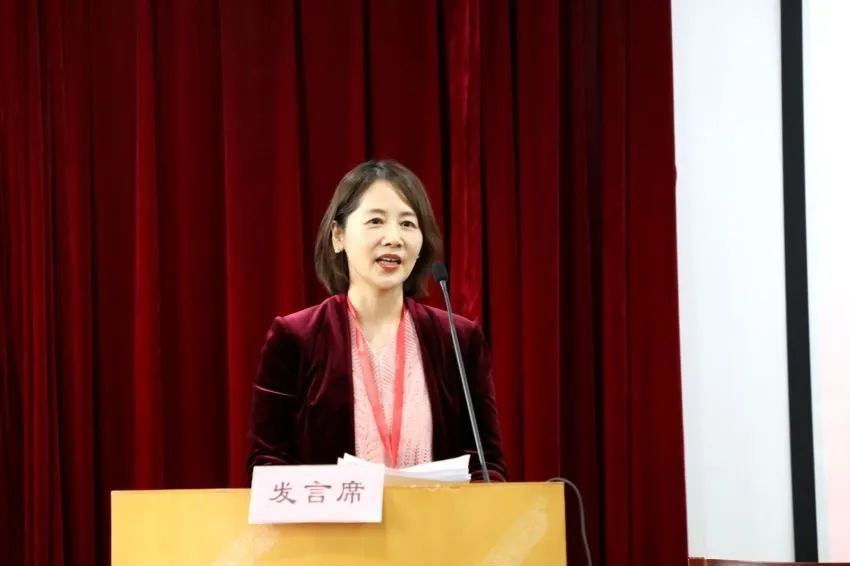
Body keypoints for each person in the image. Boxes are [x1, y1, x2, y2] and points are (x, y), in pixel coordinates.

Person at [248, 160, 506, 481]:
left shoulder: (458, 338)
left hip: (437, 515)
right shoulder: (295, 337)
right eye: (376, 221)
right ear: (338, 236)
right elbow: (268, 464)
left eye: (408, 224)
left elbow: (486, 464)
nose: (394, 237)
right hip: (334, 515)